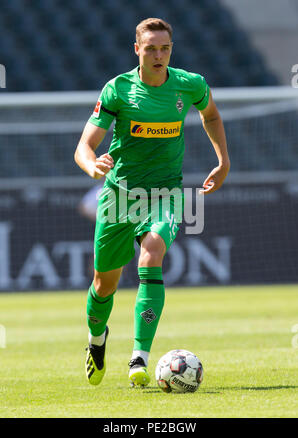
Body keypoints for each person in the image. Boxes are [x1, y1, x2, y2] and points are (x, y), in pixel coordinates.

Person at [74, 17, 230, 388]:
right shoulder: (118, 90)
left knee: (153, 251)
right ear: (137, 50)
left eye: (165, 49)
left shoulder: (190, 85)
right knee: (104, 285)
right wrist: (92, 166)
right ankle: (97, 342)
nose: (159, 55)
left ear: (171, 50)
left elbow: (211, 114)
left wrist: (223, 160)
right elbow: (84, 146)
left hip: (165, 193)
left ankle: (138, 358)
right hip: (119, 197)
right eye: (151, 49)